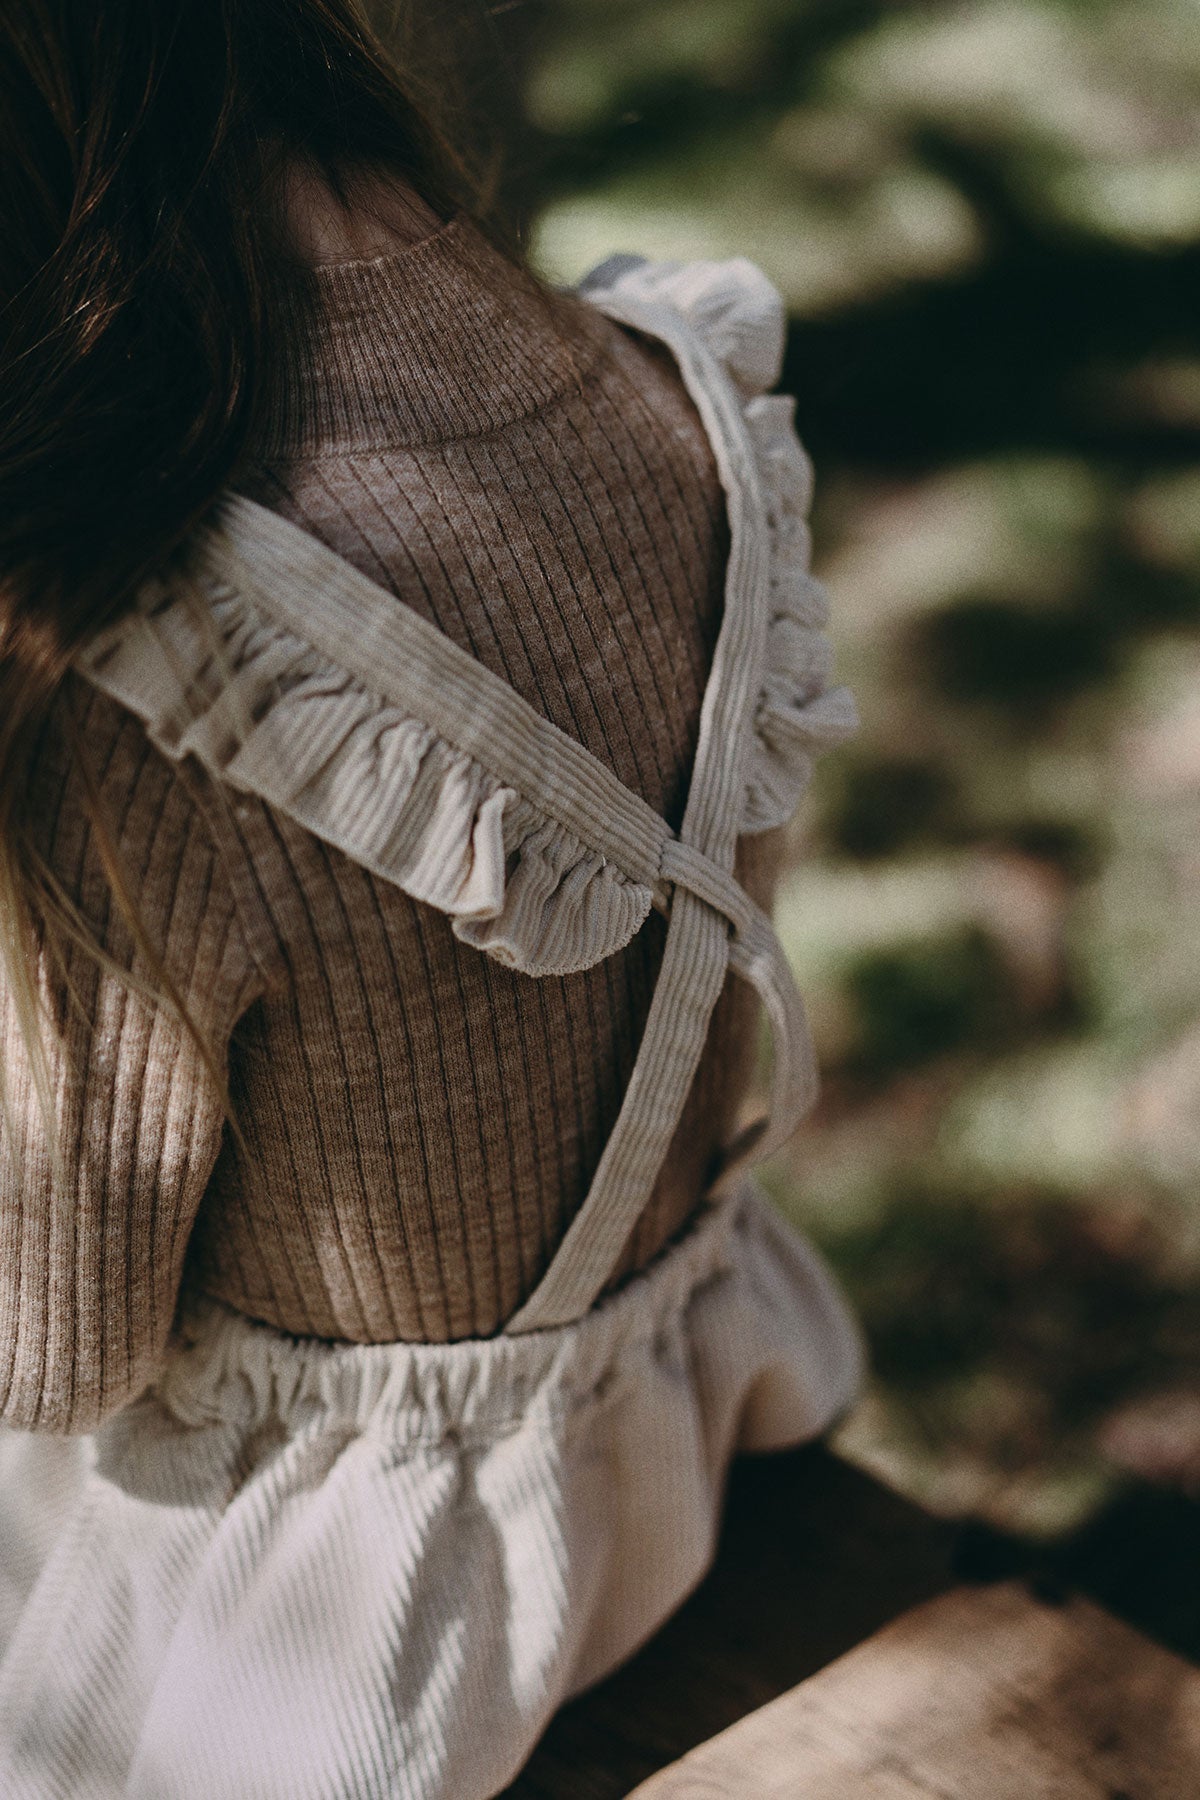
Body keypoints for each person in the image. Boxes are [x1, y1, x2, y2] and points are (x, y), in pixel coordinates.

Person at [0, 3, 862, 1795]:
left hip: (327, 1642)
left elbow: (55, 1346)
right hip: (657, 1443)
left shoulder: (152, 662)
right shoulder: (665, 385)